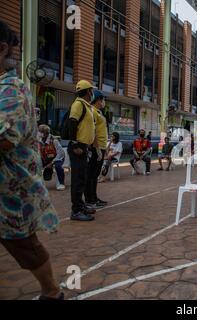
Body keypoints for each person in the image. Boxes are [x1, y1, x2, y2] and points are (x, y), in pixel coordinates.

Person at [0, 21, 62, 300]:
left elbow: (4, 140)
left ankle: (52, 291)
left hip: (10, 191)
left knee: (24, 245)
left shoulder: (11, 90)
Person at [67, 80, 96, 221]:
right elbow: (72, 123)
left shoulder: (86, 105)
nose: (92, 93)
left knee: (82, 178)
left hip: (84, 147)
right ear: (87, 91)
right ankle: (76, 210)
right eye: (91, 90)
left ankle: (80, 205)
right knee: (78, 179)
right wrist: (75, 145)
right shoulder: (78, 104)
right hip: (78, 147)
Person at [85, 90, 108, 209]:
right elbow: (92, 130)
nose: (104, 102)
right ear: (98, 100)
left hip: (101, 146)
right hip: (96, 147)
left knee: (95, 175)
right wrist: (97, 148)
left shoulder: (98, 112)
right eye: (103, 99)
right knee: (91, 174)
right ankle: (89, 199)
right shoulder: (92, 111)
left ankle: (94, 197)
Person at [38, 125, 66, 191]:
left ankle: (61, 183)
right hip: (45, 158)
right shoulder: (39, 140)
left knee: (58, 166)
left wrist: (51, 163)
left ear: (46, 133)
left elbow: (60, 153)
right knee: (35, 166)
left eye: (41, 132)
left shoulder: (54, 140)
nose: (39, 133)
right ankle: (38, 184)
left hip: (57, 157)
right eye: (39, 131)